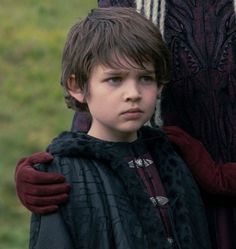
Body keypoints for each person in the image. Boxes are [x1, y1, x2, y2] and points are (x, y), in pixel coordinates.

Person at [15, 1, 236, 248]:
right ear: (77, 86)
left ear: (160, 83)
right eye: (115, 79)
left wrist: (222, 177)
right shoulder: (66, 174)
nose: (133, 93)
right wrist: (62, 163)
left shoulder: (173, 162)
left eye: (145, 78)